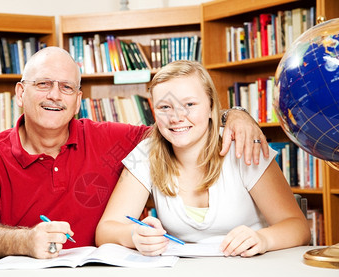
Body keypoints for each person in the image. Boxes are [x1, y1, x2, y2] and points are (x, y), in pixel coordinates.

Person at [0, 47, 269, 259]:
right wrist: (24, 241)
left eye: (66, 87)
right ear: (21, 93)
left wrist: (233, 115)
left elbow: (179, 127)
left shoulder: (112, 140)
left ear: (78, 100)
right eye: (43, 84)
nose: (54, 95)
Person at [96, 60, 310, 257]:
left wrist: (264, 239)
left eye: (189, 104)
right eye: (164, 107)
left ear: (211, 107)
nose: (176, 117)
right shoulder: (146, 154)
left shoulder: (244, 147)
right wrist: (134, 234)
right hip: (184, 276)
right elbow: (105, 230)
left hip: (250, 269)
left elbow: (298, 228)